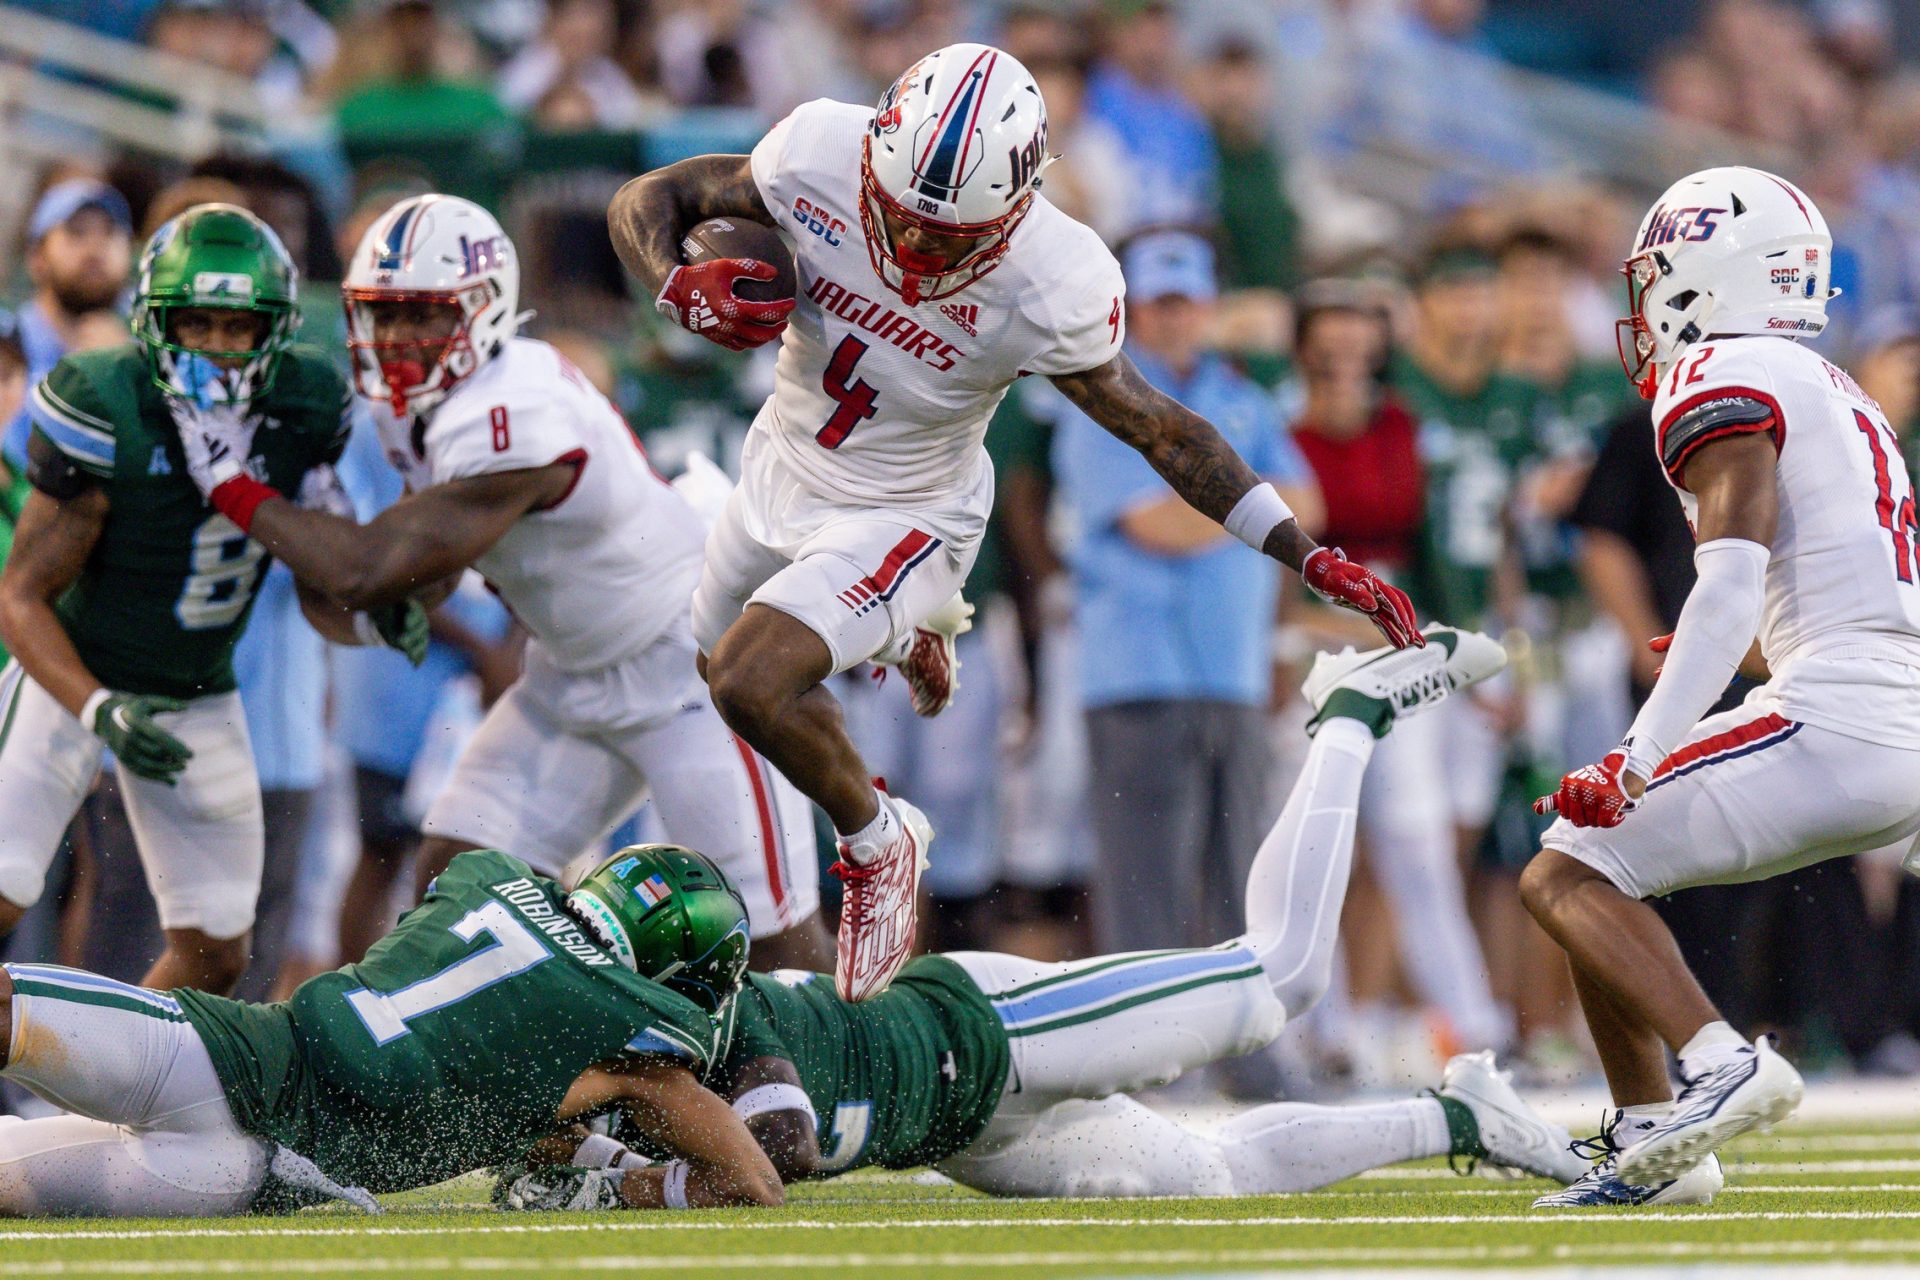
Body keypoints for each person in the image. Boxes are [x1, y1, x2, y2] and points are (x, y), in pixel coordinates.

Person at [606, 41, 1418, 1002]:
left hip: (911, 511)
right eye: (899, 219)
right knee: (717, 663)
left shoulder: (1052, 276)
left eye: (944, 240)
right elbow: (647, 200)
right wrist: (673, 276)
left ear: (1019, 201)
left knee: (751, 678)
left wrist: (1302, 552)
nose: (911, 251)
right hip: (779, 465)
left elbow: (1163, 432)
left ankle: (878, 841)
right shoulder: (815, 149)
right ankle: (902, 627)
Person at [504, 625, 1593, 1209]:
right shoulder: (651, 1037)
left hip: (989, 1025)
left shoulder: (732, 1028)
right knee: (1207, 1177)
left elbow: (769, 1151)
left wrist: (612, 1165)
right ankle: (1459, 1117)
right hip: (956, 1121)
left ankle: (1350, 711)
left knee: (1281, 976)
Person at [172, 194, 831, 970]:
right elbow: (408, 585)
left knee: (771, 941)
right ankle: (524, 1076)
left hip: (687, 665)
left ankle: (855, 1087)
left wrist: (231, 484)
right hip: (567, 672)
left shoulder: (513, 409)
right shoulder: (418, 407)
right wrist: (356, 579)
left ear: (482, 312)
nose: (394, 339)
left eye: (419, 315)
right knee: (455, 888)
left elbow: (368, 568)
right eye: (380, 316)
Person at [1523, 167, 1920, 1206]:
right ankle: (1654, 1138)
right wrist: (1730, 649)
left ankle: (1716, 1063)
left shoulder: (1723, 371)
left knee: (1564, 868)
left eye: (1658, 273)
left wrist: (1637, 754)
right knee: (1599, 874)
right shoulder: (1836, 387)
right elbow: (1791, 602)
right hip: (1888, 707)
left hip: (1843, 710)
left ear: (1709, 275)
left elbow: (1730, 581)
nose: (1646, 299)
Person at [0, 205, 428, 995]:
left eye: (240, 327)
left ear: (279, 328)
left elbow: (314, 590)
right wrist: (97, 707)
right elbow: (21, 595)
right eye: (197, 325)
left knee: (219, 953)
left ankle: (112, 1095)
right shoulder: (105, 401)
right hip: (73, 683)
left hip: (195, 693)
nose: (220, 349)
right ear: (154, 322)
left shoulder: (304, 405)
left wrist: (368, 618)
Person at [0, 843, 782, 1215]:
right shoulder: (629, 1042)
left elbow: (464, 1052)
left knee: (10, 1011)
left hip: (235, 1052)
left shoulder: (488, 877)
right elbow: (754, 1182)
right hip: (249, 1178)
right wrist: (614, 1194)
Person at [1053, 228, 1321, 959]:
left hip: (1230, 668)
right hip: (1137, 671)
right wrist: (1254, 509)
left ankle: (1245, 1051)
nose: (1174, 317)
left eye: (1187, 302)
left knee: (1243, 875)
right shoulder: (1098, 397)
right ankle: (1153, 1051)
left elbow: (1311, 506)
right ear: (1134, 309)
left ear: (1207, 308)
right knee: (1147, 882)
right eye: (1159, 303)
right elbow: (1156, 528)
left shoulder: (1239, 397)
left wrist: (1219, 508)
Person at [2, 181, 135, 469]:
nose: (95, 247)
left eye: (110, 232)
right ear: (36, 257)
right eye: (77, 231)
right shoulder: (5, 344)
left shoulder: (147, 363)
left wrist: (124, 380)